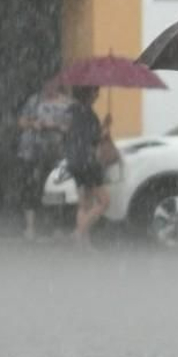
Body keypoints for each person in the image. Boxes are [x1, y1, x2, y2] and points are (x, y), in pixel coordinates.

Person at [15, 79, 73, 241]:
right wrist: (35, 123)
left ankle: (56, 227)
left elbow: (71, 127)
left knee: (56, 187)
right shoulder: (34, 100)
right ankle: (30, 227)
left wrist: (55, 125)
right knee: (31, 187)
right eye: (47, 85)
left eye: (54, 85)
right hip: (31, 150)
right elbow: (21, 122)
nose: (50, 88)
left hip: (56, 152)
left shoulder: (67, 103)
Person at [64, 86, 113, 247]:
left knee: (85, 203)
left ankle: (84, 244)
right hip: (88, 161)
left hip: (73, 161)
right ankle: (78, 233)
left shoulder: (71, 111)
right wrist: (105, 126)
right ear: (89, 94)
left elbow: (70, 135)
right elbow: (94, 139)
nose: (98, 95)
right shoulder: (89, 114)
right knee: (104, 201)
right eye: (96, 92)